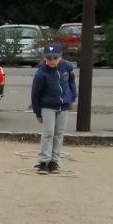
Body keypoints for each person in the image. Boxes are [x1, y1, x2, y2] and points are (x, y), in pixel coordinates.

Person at [31, 42, 77, 174]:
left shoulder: (67, 67)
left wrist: (73, 97)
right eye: (49, 58)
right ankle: (43, 162)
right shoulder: (41, 73)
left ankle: (54, 161)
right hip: (47, 106)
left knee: (59, 133)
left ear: (60, 57)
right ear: (45, 58)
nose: (52, 61)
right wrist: (38, 113)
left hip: (63, 105)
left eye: (55, 58)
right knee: (48, 133)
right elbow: (35, 94)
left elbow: (71, 82)